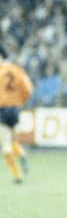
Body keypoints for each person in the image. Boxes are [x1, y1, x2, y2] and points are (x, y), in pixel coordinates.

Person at [0, 46, 32, 184]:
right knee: (13, 141)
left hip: (2, 108)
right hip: (14, 109)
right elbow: (28, 87)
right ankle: (22, 154)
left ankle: (17, 176)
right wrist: (20, 101)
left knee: (5, 145)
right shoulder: (16, 69)